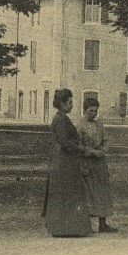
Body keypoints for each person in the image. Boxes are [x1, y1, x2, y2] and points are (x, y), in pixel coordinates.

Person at [42, 89, 93, 237]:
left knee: (69, 192)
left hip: (67, 160)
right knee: (66, 192)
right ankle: (64, 228)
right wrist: (80, 148)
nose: (72, 105)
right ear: (62, 104)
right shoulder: (60, 119)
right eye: (69, 102)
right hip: (63, 161)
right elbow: (64, 143)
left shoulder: (63, 118)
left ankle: (70, 227)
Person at [76, 97, 118, 233]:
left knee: (102, 192)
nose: (93, 113)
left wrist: (103, 150)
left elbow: (106, 140)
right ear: (85, 110)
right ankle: (86, 225)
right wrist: (89, 151)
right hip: (87, 162)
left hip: (100, 163)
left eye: (95, 111)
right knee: (88, 193)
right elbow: (78, 144)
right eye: (90, 110)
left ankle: (103, 224)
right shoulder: (80, 125)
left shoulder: (99, 124)